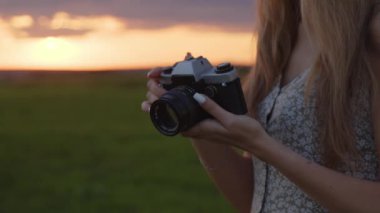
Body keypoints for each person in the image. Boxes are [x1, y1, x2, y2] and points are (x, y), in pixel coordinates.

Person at [141, 0, 380, 212]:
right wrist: (196, 118)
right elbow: (254, 197)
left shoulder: (371, 32)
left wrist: (265, 147)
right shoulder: (280, 34)